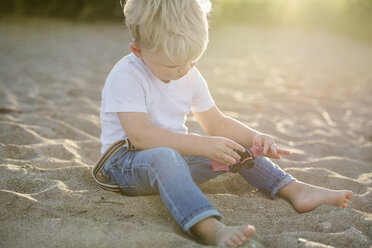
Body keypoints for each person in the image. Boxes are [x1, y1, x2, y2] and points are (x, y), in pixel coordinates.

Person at [99, 0, 353, 246]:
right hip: (125, 164)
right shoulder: (128, 75)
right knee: (166, 157)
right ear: (138, 51)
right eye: (173, 64)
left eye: (192, 61)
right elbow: (140, 137)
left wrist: (254, 137)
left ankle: (295, 190)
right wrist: (203, 145)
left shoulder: (189, 74)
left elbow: (217, 123)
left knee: (234, 148)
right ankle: (211, 229)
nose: (184, 70)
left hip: (175, 160)